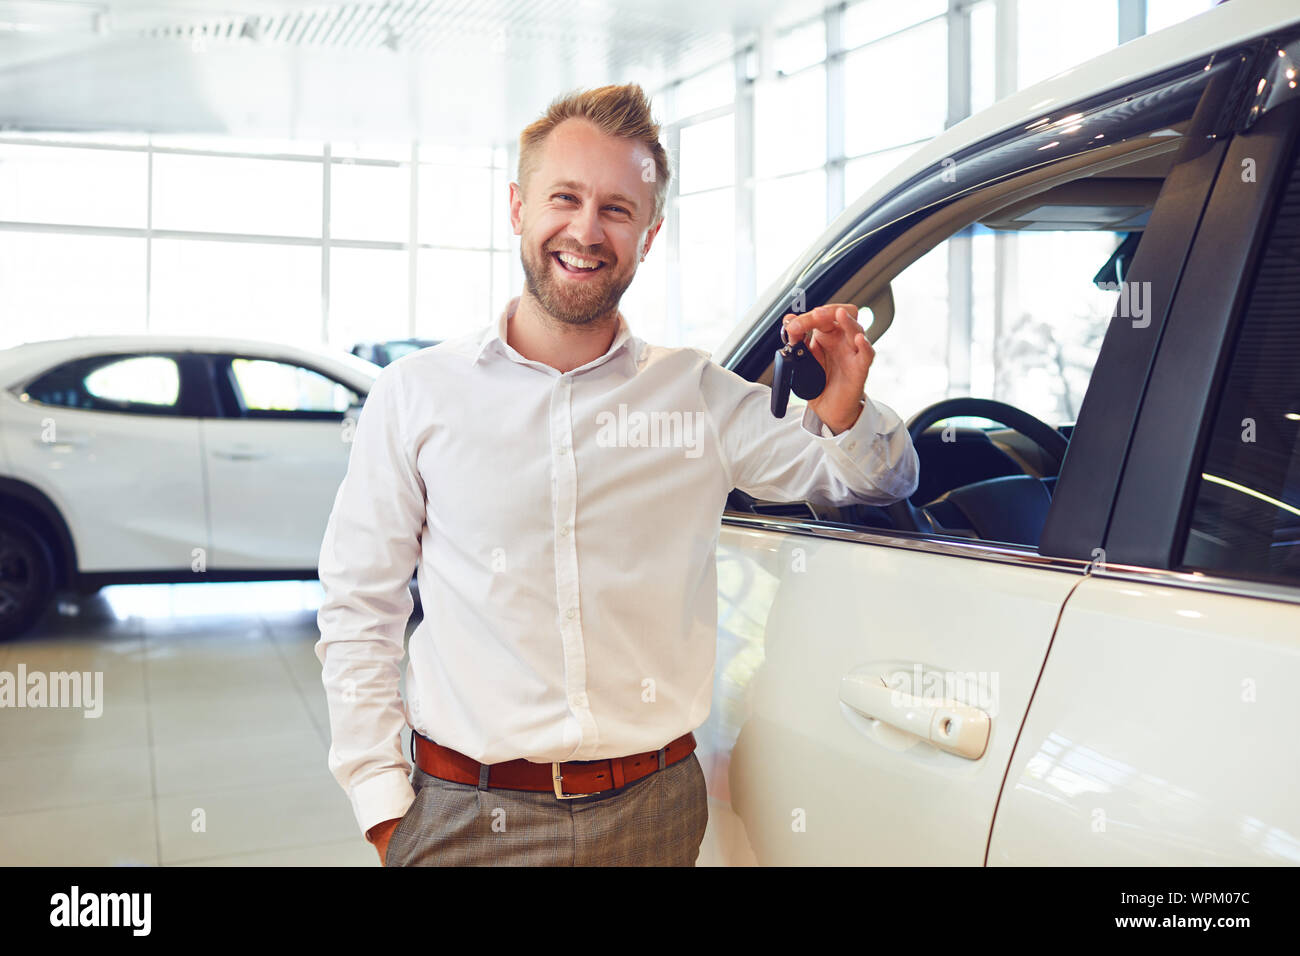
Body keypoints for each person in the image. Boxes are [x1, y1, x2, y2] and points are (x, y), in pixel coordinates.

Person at [315, 82, 919, 866]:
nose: (586, 230)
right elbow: (358, 604)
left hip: (653, 817)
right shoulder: (419, 394)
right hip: (467, 816)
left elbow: (875, 481)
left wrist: (846, 407)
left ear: (649, 233)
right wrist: (384, 809)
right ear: (517, 207)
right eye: (563, 198)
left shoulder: (697, 395)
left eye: (616, 209)